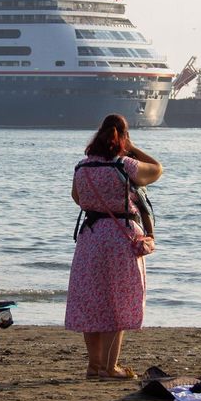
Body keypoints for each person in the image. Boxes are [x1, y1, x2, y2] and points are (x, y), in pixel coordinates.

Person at [66, 113, 163, 379]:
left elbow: (77, 198)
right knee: (117, 302)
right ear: (123, 138)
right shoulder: (125, 165)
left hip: (91, 237)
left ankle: (94, 366)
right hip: (120, 238)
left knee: (92, 301)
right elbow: (157, 169)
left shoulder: (82, 167)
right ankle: (110, 367)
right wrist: (131, 147)